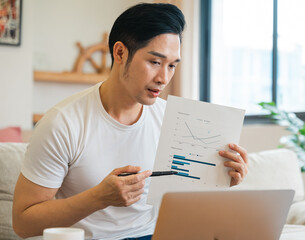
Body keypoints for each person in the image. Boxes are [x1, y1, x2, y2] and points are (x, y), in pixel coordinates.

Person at [12, 3, 248, 240]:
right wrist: (99, 198)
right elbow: (23, 223)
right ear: (120, 53)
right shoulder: (63, 123)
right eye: (155, 62)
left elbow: (189, 204)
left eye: (172, 66)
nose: (163, 78)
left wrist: (221, 179)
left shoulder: (174, 121)